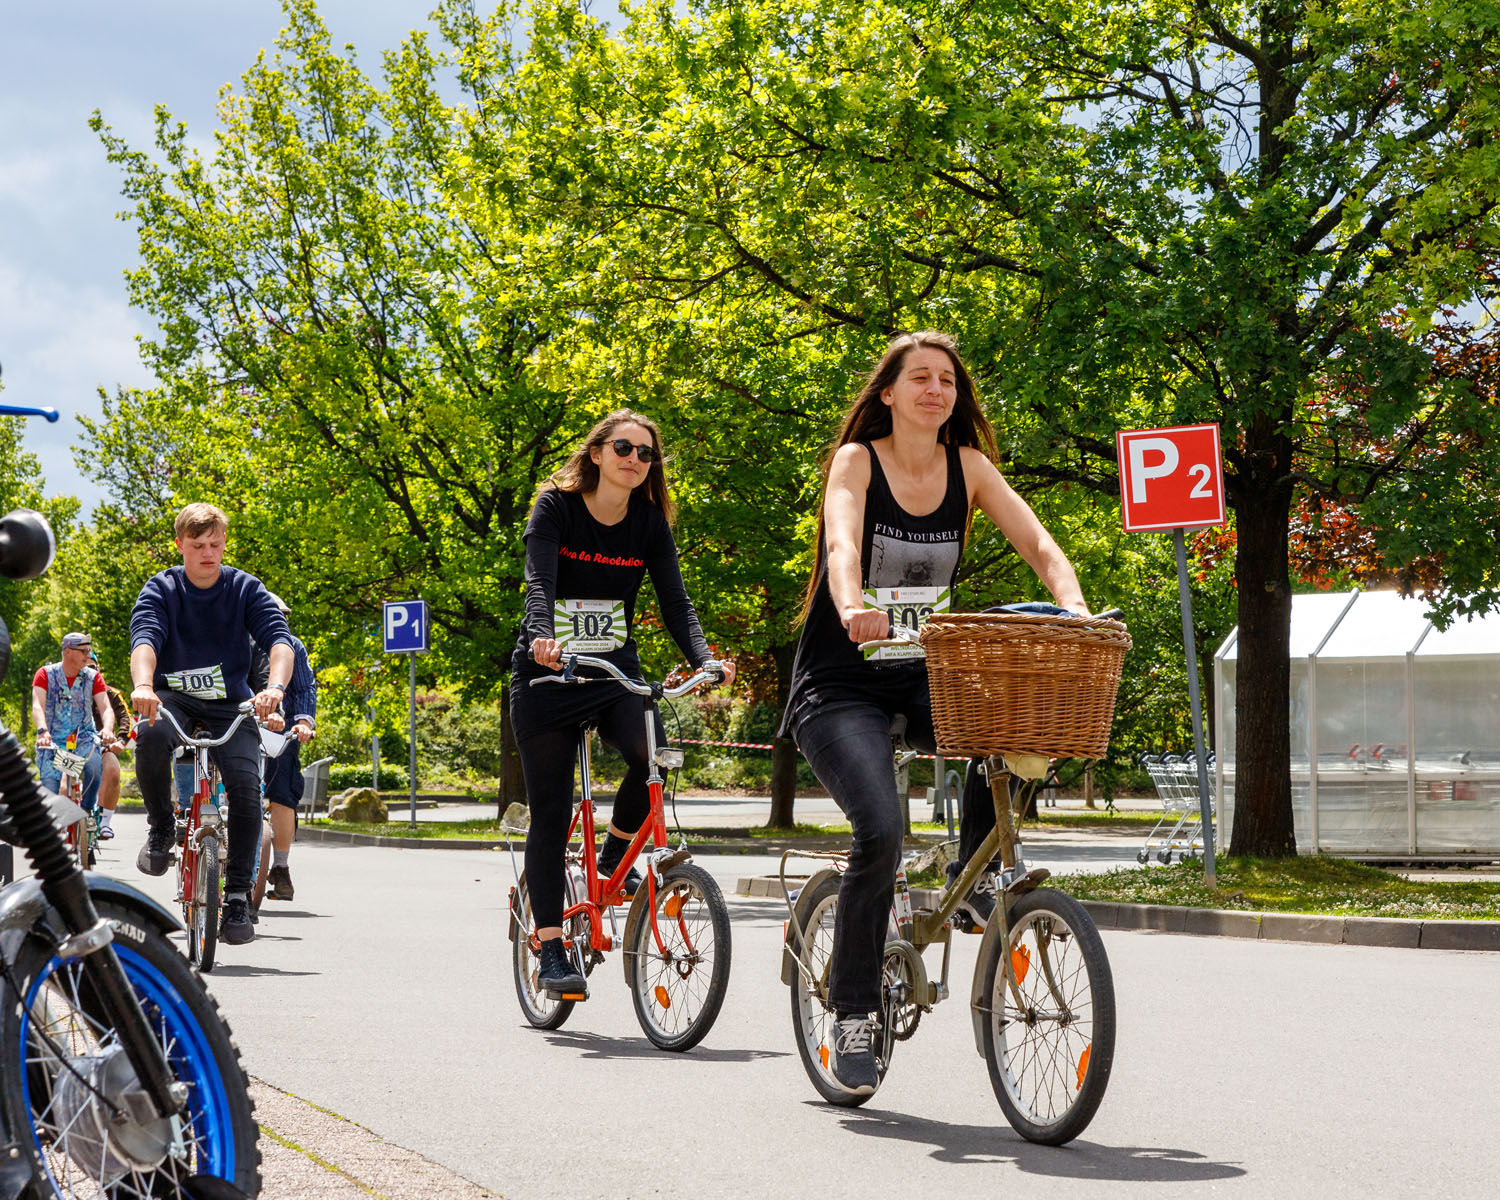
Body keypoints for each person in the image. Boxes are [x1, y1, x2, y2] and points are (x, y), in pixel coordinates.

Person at [779, 331, 1091, 1096]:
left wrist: (1073, 605)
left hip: (925, 673)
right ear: (887, 392)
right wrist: (850, 604)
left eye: (946, 380)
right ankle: (852, 1012)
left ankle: (974, 877)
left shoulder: (968, 467)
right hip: (840, 681)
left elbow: (1039, 542)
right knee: (879, 833)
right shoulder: (858, 461)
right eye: (919, 377)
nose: (935, 390)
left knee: (1024, 734)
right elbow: (842, 541)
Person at [512, 410, 733, 997]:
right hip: (548, 674)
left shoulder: (649, 523)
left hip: (613, 669)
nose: (635, 459)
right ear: (597, 453)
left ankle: (610, 860)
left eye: (646, 453)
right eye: (623, 448)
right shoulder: (555, 506)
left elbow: (675, 601)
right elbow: (540, 582)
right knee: (553, 812)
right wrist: (542, 639)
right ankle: (552, 945)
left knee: (654, 756)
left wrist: (704, 657)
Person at [130, 502, 294, 947]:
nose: (208, 553)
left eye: (215, 544)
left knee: (246, 787)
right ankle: (162, 826)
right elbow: (145, 638)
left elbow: (279, 640)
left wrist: (275, 689)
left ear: (224, 544)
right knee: (150, 734)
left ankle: (238, 894)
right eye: (198, 545)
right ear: (180, 544)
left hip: (230, 703)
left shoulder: (244, 588)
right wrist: (144, 685)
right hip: (174, 696)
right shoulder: (162, 589)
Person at [248, 593, 317, 902]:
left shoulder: (294, 646)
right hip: (241, 727)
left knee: (284, 794)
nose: (277, 623)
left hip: (281, 732)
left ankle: (281, 867)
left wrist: (303, 723)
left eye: (281, 617)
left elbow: (304, 688)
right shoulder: (238, 644)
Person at [32, 632, 112, 814]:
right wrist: (42, 731)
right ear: (67, 651)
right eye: (83, 651)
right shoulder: (45, 674)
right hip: (53, 742)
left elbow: (106, 707)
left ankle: (86, 812)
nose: (88, 655)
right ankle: (53, 832)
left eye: (89, 651)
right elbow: (38, 706)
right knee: (50, 795)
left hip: (83, 740)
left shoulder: (93, 677)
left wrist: (107, 729)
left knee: (93, 767)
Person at [87, 649, 132, 840]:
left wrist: (121, 740)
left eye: (90, 667)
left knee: (113, 770)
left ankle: (104, 822)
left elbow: (125, 717)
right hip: (72, 746)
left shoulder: (110, 693)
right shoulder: (64, 690)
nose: (86, 672)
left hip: (102, 745)